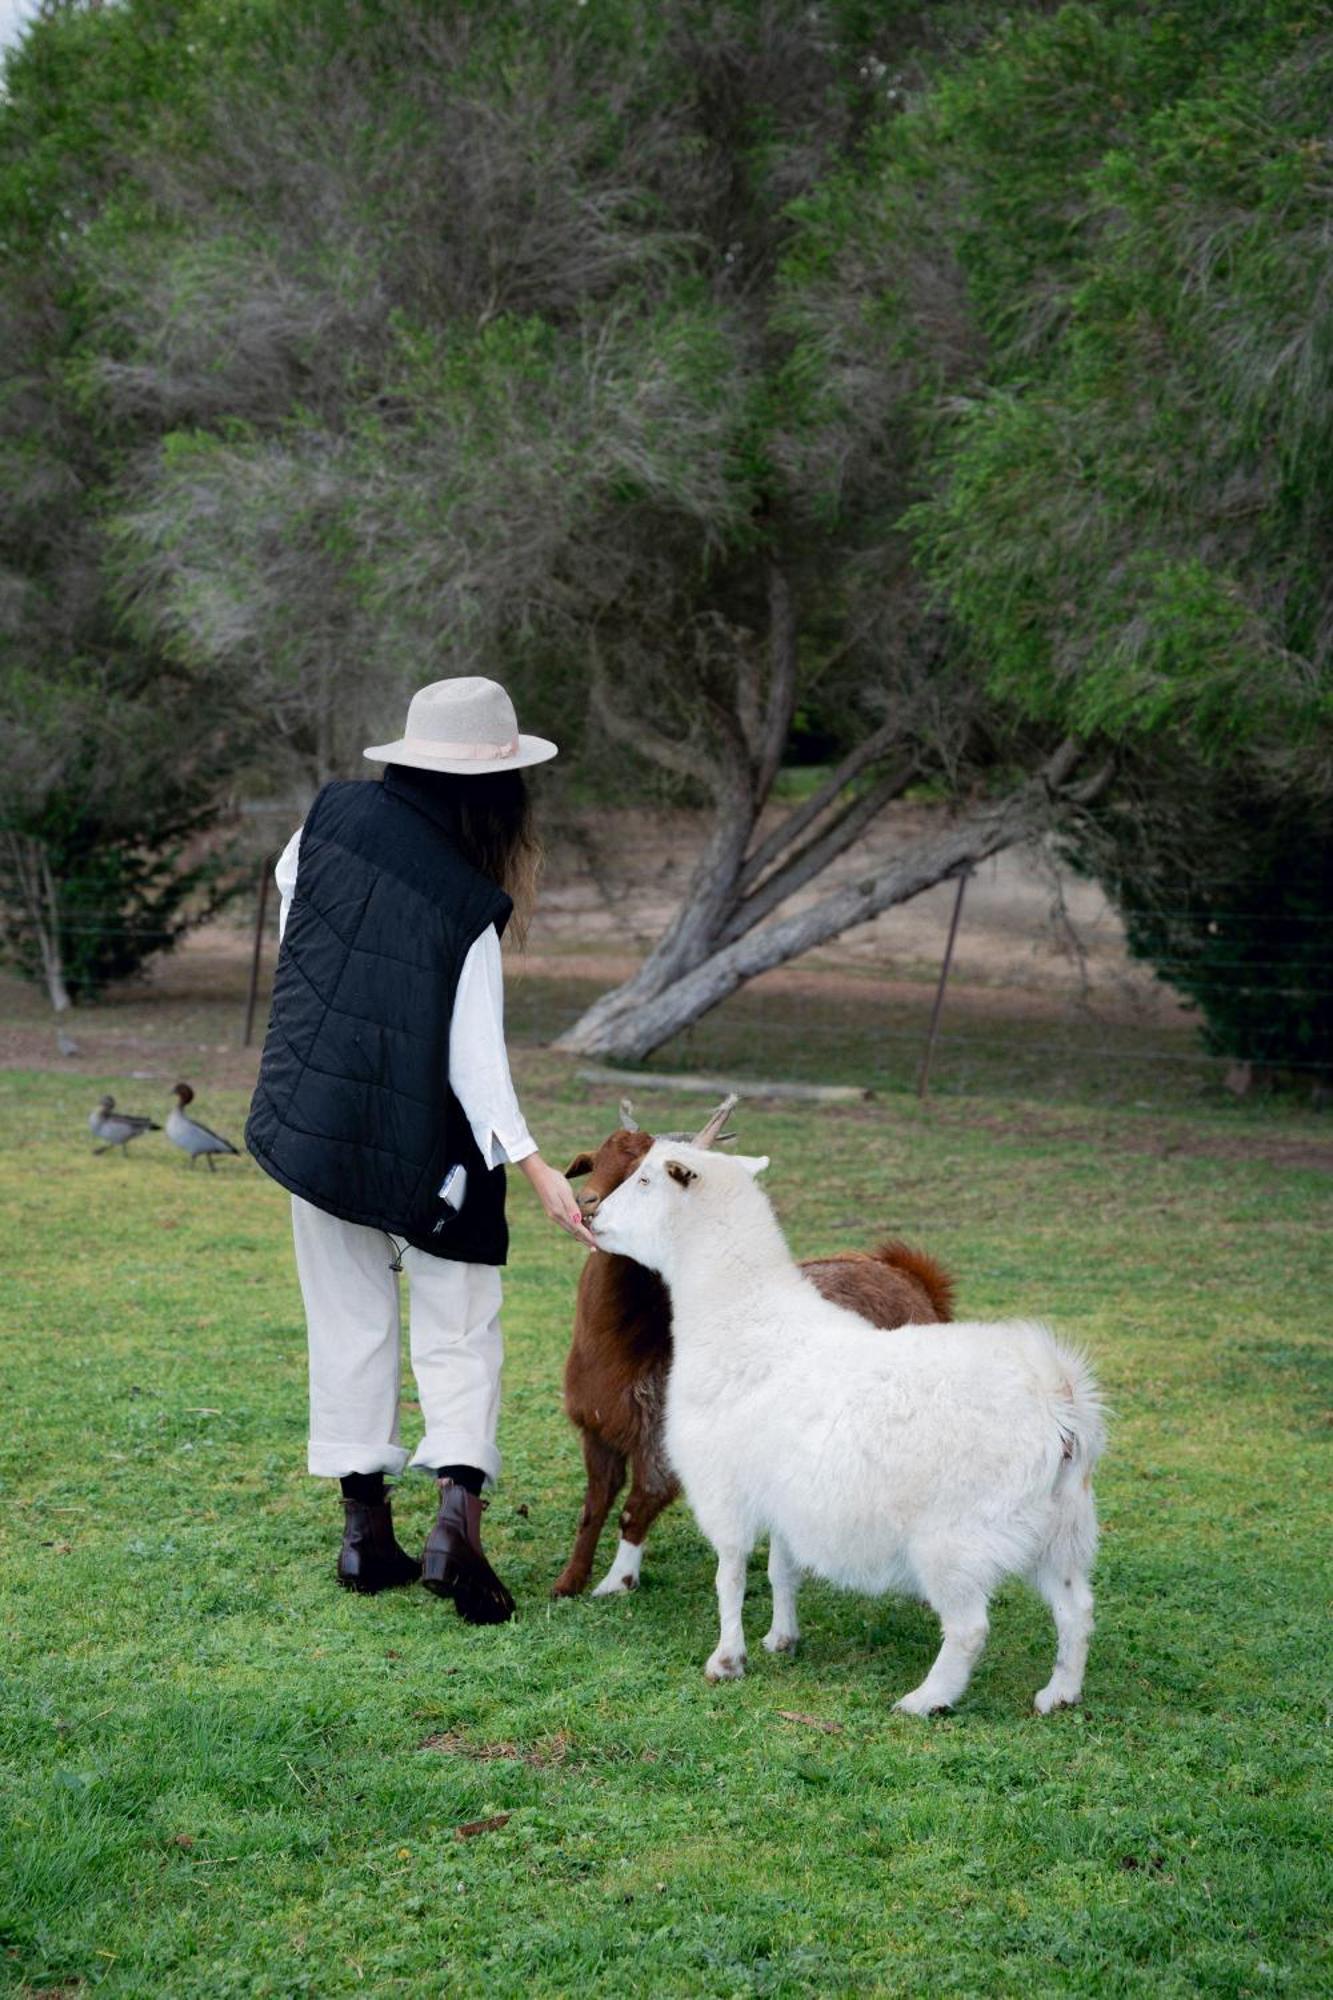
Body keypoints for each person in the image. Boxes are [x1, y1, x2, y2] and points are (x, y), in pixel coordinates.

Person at [246, 676, 595, 1624]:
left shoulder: (326, 820)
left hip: (314, 1117)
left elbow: (299, 915)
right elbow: (474, 1060)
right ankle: (456, 1529)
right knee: (460, 1321)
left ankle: (364, 1537)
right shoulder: (465, 899)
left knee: (347, 1318)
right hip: (430, 1141)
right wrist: (531, 1168)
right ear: (497, 789)